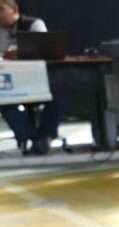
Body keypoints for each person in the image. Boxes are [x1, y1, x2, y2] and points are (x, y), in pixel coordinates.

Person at [0, 0, 58, 155]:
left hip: (38, 77)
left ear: (13, 9)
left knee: (58, 94)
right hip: (12, 80)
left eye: (1, 9)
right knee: (3, 100)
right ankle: (29, 136)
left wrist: (15, 53)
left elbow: (45, 49)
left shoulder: (34, 24)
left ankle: (46, 134)